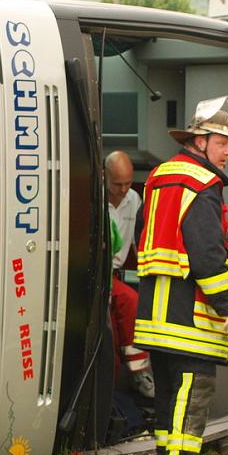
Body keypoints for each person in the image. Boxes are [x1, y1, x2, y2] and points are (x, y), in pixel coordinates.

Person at [134, 97, 228, 455]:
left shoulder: (160, 176)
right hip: (190, 317)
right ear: (199, 141)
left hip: (156, 313)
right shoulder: (202, 184)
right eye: (222, 142)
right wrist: (227, 305)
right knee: (193, 396)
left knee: (168, 394)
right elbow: (208, 254)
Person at [106, 150, 154, 398]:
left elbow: (139, 241)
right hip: (99, 275)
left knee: (128, 310)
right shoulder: (95, 198)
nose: (123, 189)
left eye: (127, 183)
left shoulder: (134, 199)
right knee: (129, 303)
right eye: (117, 184)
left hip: (117, 274)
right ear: (105, 177)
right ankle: (134, 374)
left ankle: (134, 374)